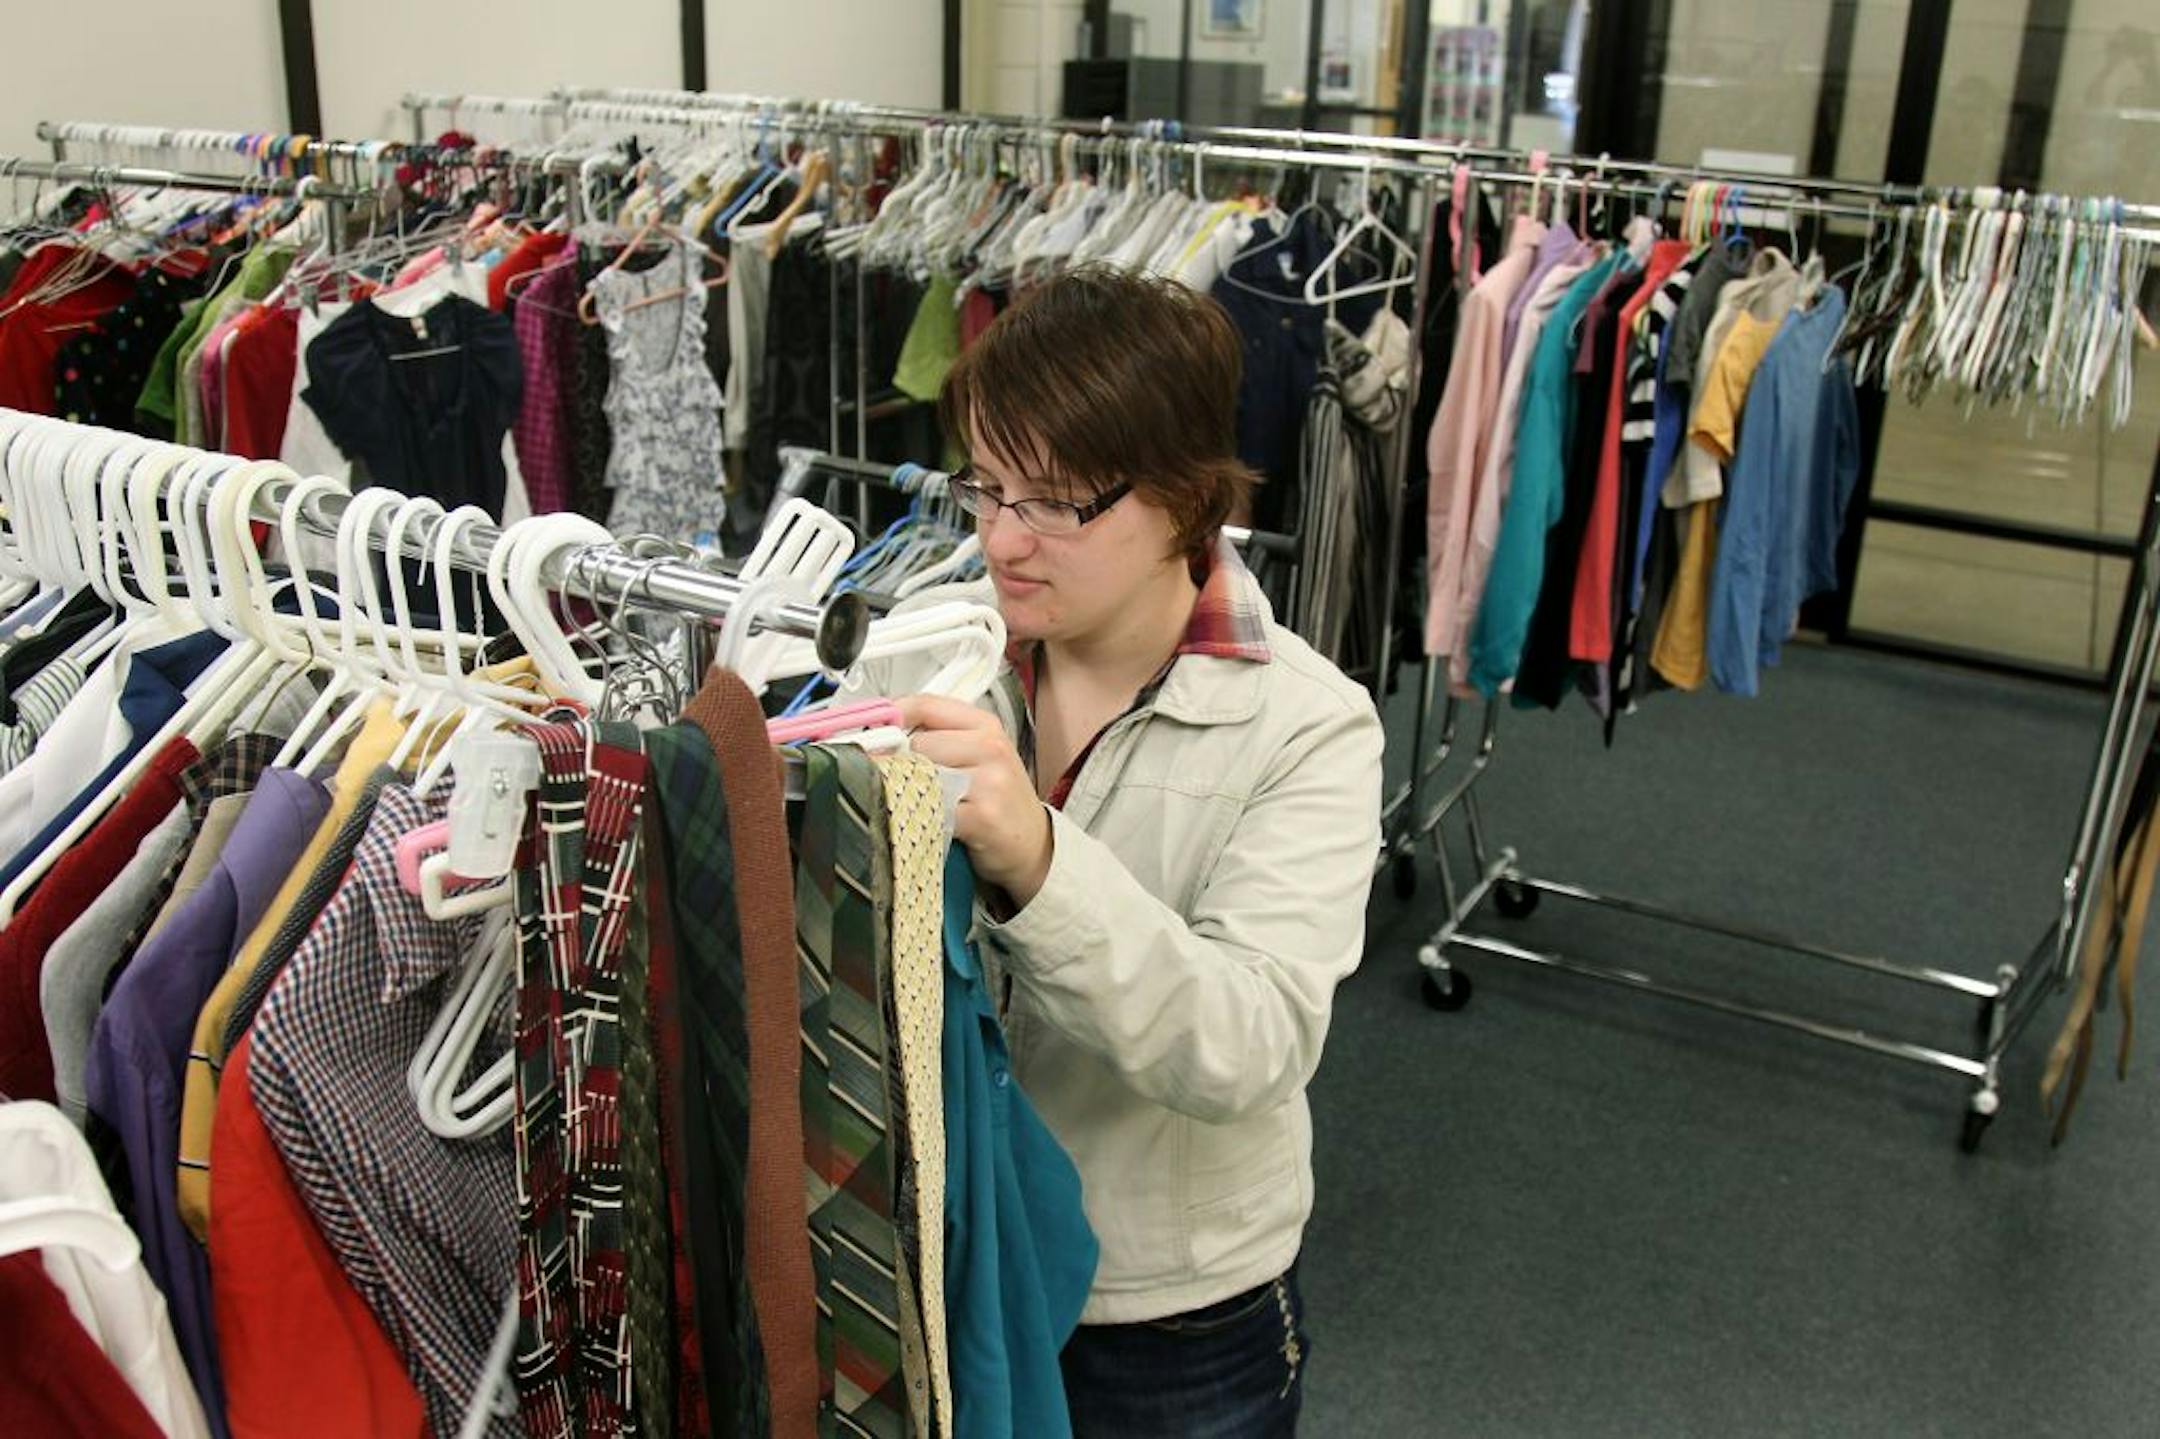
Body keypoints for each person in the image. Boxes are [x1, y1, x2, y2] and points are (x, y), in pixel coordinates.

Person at [878, 267, 1384, 1437]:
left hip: (1165, 1312)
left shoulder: (1308, 725)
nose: (1002, 539)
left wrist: (1039, 860)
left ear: (1184, 497)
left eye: (1055, 502)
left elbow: (1252, 1043)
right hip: (943, 1255)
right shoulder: (934, 650)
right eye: (985, 486)